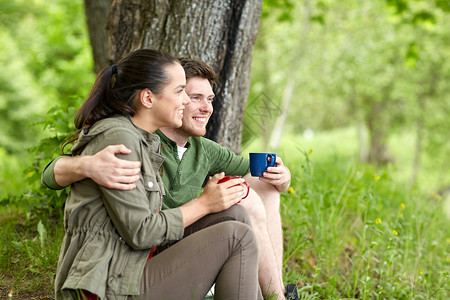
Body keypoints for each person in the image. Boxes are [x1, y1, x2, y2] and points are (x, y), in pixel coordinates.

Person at [43, 57, 297, 299]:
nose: (191, 103)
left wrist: (280, 177)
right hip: (109, 281)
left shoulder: (152, 140)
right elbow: (141, 231)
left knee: (240, 215)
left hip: (139, 258)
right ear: (149, 98)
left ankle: (276, 295)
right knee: (236, 234)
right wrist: (204, 204)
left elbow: (257, 175)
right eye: (183, 93)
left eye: (207, 98)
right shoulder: (123, 139)